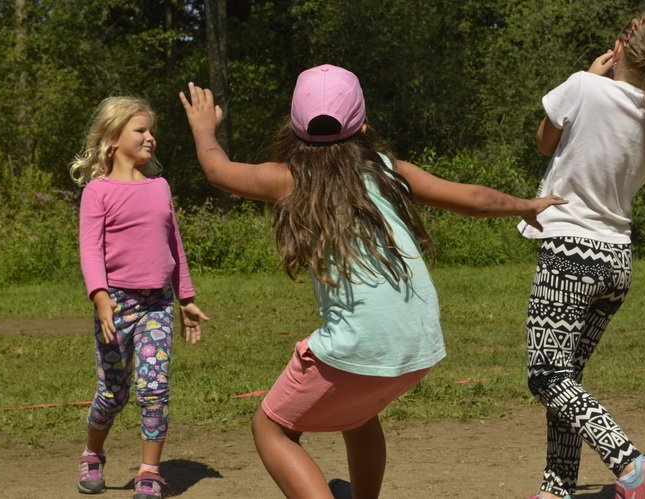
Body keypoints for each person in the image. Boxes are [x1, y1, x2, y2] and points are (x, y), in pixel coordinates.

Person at [179, 64, 565, 499]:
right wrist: (524, 204)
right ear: (363, 125)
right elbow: (473, 199)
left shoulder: (290, 178)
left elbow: (218, 171)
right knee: (358, 415)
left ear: (294, 128)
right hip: (418, 342)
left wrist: (203, 128)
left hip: (357, 344)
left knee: (271, 427)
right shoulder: (386, 168)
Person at [518, 10, 645, 499]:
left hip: (570, 255)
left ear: (618, 48)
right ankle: (557, 488)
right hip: (616, 259)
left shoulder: (583, 86)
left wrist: (590, 75)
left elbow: (544, 142)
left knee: (546, 377)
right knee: (566, 378)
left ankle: (632, 466)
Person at [69, 96, 209, 499]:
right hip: (116, 304)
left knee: (154, 387)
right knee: (113, 394)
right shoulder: (98, 192)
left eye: (152, 131)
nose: (150, 138)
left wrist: (186, 298)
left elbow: (174, 244)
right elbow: (90, 249)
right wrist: (99, 296)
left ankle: (149, 472)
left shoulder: (159, 187)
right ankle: (92, 454)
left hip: (157, 305)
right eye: (141, 130)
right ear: (113, 138)